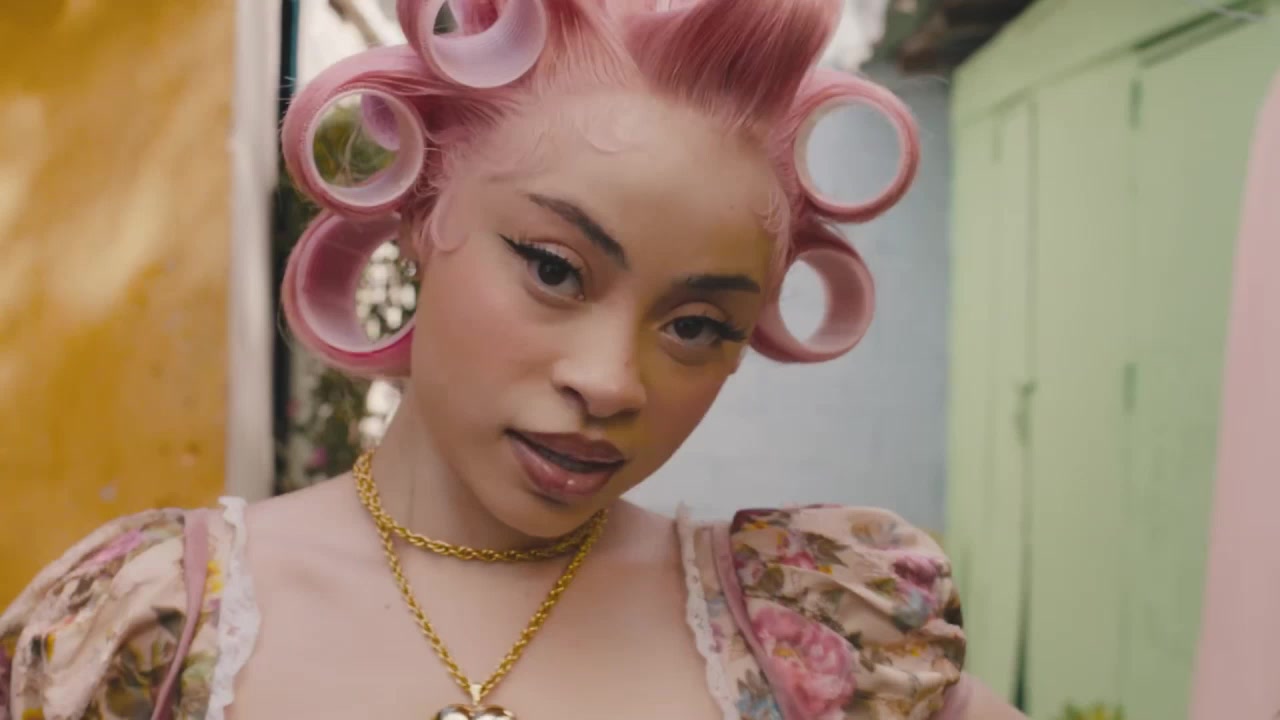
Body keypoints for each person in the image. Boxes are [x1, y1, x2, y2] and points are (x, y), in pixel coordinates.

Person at [1, 1, 1026, 718]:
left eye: (695, 326)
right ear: (421, 211)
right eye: (553, 268)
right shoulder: (151, 631)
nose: (610, 382)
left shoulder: (814, 639)